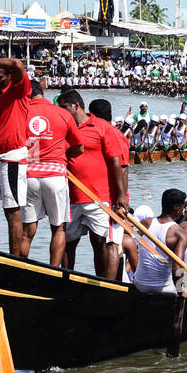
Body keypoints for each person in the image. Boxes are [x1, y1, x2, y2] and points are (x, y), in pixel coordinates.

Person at [60, 91, 129, 279]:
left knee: (101, 242)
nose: (61, 111)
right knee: (67, 241)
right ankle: (67, 281)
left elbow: (118, 164)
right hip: (71, 196)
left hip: (99, 197)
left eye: (64, 107)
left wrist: (121, 195)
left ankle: (104, 284)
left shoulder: (102, 127)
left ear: (76, 106)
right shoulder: (64, 127)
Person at [19, 80, 82, 266]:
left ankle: (21, 269)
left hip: (28, 175)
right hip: (55, 175)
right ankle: (54, 271)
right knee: (59, 229)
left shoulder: (20, 112)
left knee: (27, 231)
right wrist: (62, 154)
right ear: (42, 91)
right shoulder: (62, 112)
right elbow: (79, 147)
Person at [0, 56, 30, 255]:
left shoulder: (19, 90)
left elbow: (17, 64)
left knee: (11, 210)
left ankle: (14, 258)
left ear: (10, 76)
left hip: (12, 157)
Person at [131, 189, 187, 296]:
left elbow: (155, 239)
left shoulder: (145, 223)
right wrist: (182, 290)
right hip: (162, 289)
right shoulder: (180, 234)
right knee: (186, 285)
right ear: (178, 210)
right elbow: (177, 268)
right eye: (182, 209)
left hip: (139, 284)